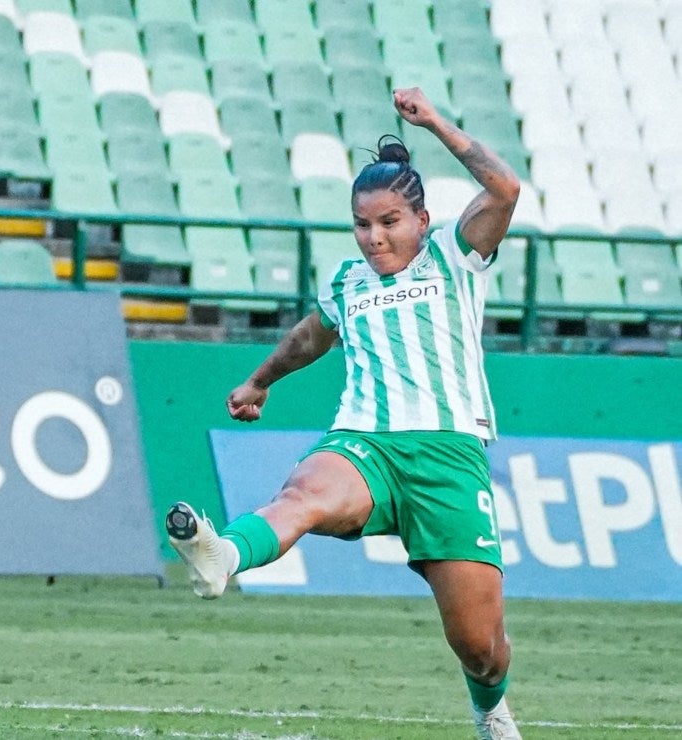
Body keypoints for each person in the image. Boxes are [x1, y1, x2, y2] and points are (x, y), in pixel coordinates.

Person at [165, 88, 524, 740]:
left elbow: (504, 188)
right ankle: (222, 557)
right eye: (362, 224)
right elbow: (312, 336)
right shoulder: (347, 282)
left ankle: (490, 710)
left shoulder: (455, 254)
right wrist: (259, 381)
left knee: (480, 647)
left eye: (389, 221)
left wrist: (437, 122)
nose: (374, 236)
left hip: (447, 456)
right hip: (365, 440)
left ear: (421, 218)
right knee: (303, 492)